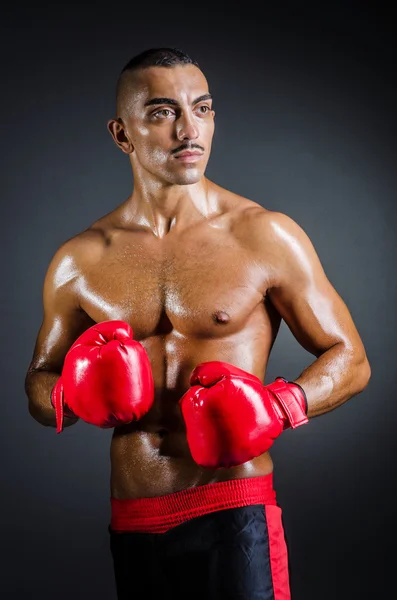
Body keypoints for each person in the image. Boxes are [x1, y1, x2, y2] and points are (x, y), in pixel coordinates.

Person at [25, 47, 371, 599]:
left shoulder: (264, 235)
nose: (190, 129)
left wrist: (281, 407)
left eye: (202, 108)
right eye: (163, 112)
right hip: (132, 515)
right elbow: (38, 382)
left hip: (232, 508)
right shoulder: (81, 259)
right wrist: (70, 395)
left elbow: (351, 358)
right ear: (122, 134)